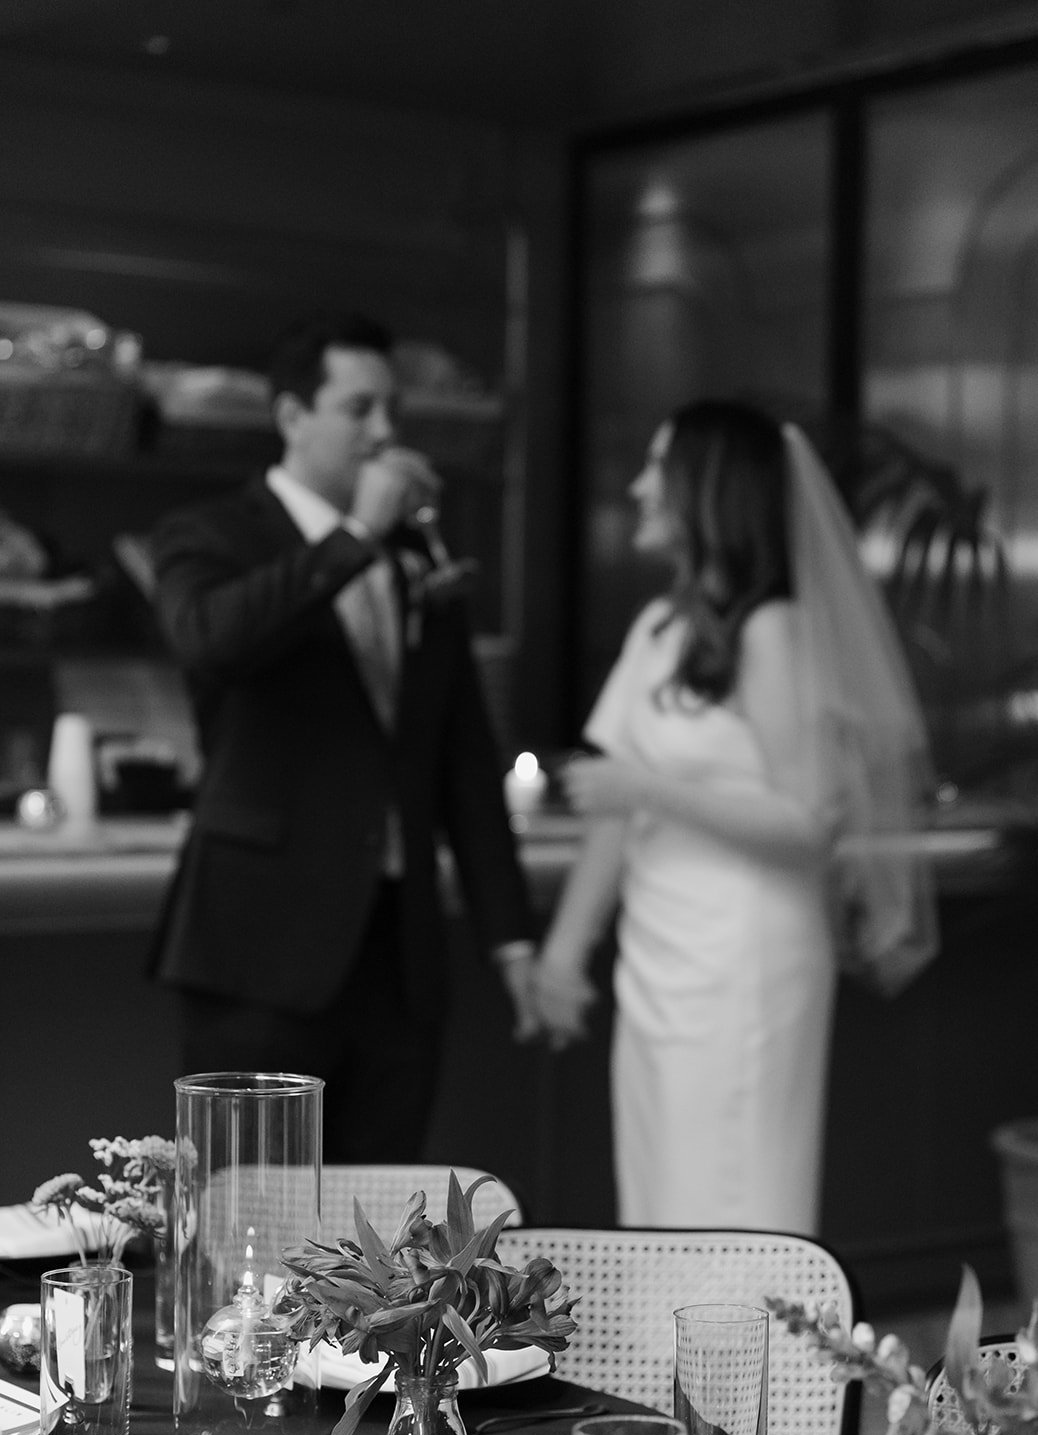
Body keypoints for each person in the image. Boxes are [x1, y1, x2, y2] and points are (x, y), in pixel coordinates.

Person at [533, 399, 937, 1231]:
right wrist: (564, 952)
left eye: (658, 468)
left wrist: (651, 792)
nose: (640, 487)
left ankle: (747, 1361)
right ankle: (667, 1363)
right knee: (658, 1193)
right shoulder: (658, 627)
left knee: (731, 1194)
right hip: (659, 957)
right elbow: (614, 808)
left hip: (744, 962)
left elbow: (811, 821)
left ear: (706, 491)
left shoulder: (773, 631)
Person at [148, 310, 537, 1161]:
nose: (384, 433)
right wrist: (353, 538)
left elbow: (463, 757)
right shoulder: (209, 534)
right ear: (292, 417)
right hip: (261, 947)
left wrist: (510, 936)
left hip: (399, 955)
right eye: (359, 409)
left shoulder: (417, 553)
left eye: (390, 410)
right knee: (241, 1220)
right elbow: (212, 639)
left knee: (380, 1234)